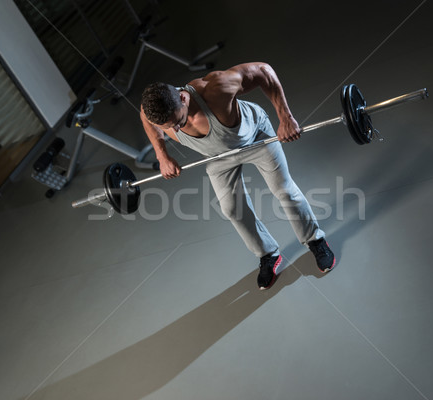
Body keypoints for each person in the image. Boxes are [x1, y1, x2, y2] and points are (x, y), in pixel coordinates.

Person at [140, 62, 335, 290]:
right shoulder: (152, 111)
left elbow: (264, 71)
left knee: (284, 190)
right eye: (167, 127)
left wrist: (285, 117)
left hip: (256, 138)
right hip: (217, 156)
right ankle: (268, 255)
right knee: (231, 209)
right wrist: (162, 155)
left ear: (183, 99)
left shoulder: (215, 89)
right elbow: (146, 118)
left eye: (177, 122)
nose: (175, 128)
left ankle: (316, 240)